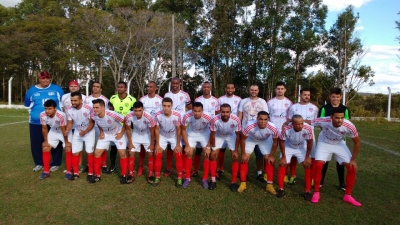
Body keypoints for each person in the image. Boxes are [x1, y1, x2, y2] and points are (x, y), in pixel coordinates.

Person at [311, 108, 361, 206]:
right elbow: (308, 122)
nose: (340, 120)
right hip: (324, 142)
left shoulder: (349, 125)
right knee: (318, 166)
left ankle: (348, 196)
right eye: (337, 118)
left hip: (339, 144)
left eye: (342, 118)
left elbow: (357, 142)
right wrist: (290, 122)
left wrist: (353, 160)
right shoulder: (324, 120)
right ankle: (316, 193)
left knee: (352, 168)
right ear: (331, 117)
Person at [24, 71, 64, 172]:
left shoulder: (57, 89)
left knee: (55, 142)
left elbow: (63, 103)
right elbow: (27, 104)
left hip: (54, 122)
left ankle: (56, 163)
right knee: (36, 143)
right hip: (36, 122)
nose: (45, 80)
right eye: (43, 78)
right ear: (39, 79)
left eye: (47, 78)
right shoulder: (31, 91)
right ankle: (39, 163)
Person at [238, 111, 279, 194]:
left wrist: (271, 155)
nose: (263, 121)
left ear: (268, 120)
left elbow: (275, 142)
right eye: (260, 119)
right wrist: (243, 154)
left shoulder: (273, 128)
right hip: (251, 139)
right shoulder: (249, 126)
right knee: (245, 159)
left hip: (264, 140)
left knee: (269, 160)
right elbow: (242, 139)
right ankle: (243, 183)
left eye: (265, 119)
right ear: (257, 119)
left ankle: (269, 185)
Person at [318, 87, 351, 191]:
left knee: (340, 161)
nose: (335, 99)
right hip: (326, 139)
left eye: (337, 97)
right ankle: (321, 181)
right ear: (330, 97)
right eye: (333, 97)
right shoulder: (324, 108)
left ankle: (342, 183)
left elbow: (346, 124)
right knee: (325, 161)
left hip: (340, 140)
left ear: (340, 97)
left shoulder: (345, 109)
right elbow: (320, 123)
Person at [89, 99, 128, 184]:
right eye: (94, 107)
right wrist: (101, 131)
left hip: (117, 133)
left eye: (97, 107)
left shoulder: (112, 114)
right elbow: (97, 122)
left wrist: (121, 133)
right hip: (106, 134)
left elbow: (125, 121)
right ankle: (97, 176)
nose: (95, 109)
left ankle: (124, 176)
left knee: (122, 153)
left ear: (103, 107)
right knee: (97, 153)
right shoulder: (93, 115)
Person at [285, 88, 319, 184]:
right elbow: (289, 120)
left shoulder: (314, 108)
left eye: (308, 95)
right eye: (305, 94)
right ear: (300, 95)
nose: (307, 96)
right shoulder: (293, 107)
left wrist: (306, 122)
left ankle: (311, 178)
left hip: (309, 135)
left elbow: (316, 122)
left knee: (311, 156)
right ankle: (292, 175)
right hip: (295, 134)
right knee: (294, 156)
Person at [277, 115, 313, 200]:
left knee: (307, 164)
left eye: (301, 123)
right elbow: (282, 142)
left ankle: (307, 191)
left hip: (301, 147)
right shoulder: (286, 129)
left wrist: (307, 156)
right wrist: (283, 156)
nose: (300, 126)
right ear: (292, 124)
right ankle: (280, 189)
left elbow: (310, 143)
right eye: (297, 124)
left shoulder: (308, 128)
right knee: (282, 163)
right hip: (288, 146)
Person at [237, 84, 268, 182]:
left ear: (258, 91)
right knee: (246, 154)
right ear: (249, 90)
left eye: (255, 90)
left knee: (259, 155)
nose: (253, 91)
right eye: (252, 90)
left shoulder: (262, 102)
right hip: (246, 132)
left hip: (259, 132)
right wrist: (239, 129)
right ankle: (244, 173)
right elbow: (240, 116)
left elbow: (266, 116)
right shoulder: (243, 101)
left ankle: (259, 173)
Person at [209, 103, 241, 191]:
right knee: (213, 156)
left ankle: (233, 182)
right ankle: (213, 180)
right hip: (219, 136)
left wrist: (235, 150)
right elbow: (212, 134)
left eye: (227, 112)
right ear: (220, 112)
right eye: (223, 112)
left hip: (231, 136)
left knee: (235, 157)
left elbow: (238, 135)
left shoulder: (236, 119)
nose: (225, 114)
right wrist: (214, 148)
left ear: (230, 112)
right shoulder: (215, 119)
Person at [181, 102, 213, 189]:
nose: (197, 113)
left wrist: (208, 146)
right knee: (188, 153)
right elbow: (183, 130)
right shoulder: (186, 116)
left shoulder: (208, 117)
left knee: (207, 154)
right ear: (192, 110)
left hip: (205, 133)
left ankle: (205, 179)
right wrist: (187, 145)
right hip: (192, 133)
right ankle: (187, 178)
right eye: (195, 111)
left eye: (199, 111)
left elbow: (213, 131)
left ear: (202, 111)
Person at [164, 77, 191, 177]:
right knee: (170, 147)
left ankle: (183, 168)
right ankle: (169, 168)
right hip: (170, 124)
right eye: (173, 83)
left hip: (181, 124)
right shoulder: (167, 95)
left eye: (176, 83)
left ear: (180, 84)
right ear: (171, 84)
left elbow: (190, 108)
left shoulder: (185, 95)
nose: (174, 85)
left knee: (182, 146)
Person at [192, 81, 220, 177]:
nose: (206, 89)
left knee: (212, 150)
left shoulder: (216, 100)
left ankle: (213, 170)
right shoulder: (198, 99)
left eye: (208, 87)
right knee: (198, 150)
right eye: (204, 87)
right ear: (202, 88)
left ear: (210, 88)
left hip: (211, 128)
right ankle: (195, 170)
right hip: (200, 128)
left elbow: (217, 114)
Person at [268, 81, 294, 184]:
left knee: (285, 152)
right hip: (272, 130)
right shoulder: (270, 102)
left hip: (285, 131)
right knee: (269, 151)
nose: (280, 90)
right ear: (275, 90)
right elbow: (267, 116)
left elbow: (290, 118)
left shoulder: (290, 103)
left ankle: (285, 174)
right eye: (278, 88)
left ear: (285, 90)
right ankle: (267, 172)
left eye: (282, 89)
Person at [107, 81, 136, 174]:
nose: (119, 89)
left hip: (127, 126)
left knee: (128, 146)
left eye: (121, 87)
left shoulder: (132, 99)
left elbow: (133, 113)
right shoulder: (113, 98)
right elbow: (110, 111)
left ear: (125, 88)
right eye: (118, 87)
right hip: (115, 127)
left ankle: (129, 165)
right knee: (114, 147)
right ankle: (112, 164)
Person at [66, 92, 96, 181]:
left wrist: (85, 131)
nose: (73, 102)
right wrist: (67, 129)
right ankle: (76, 173)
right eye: (72, 100)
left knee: (89, 152)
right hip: (77, 132)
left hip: (89, 132)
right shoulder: (69, 109)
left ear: (81, 100)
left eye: (75, 100)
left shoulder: (89, 108)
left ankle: (90, 173)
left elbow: (92, 122)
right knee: (75, 152)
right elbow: (70, 122)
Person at [153, 97, 183, 186]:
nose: (166, 108)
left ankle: (180, 178)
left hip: (173, 136)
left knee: (178, 155)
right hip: (163, 136)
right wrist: (157, 144)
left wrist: (178, 144)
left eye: (168, 106)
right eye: (164, 106)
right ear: (162, 106)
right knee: (158, 154)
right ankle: (157, 177)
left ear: (172, 106)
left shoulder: (177, 115)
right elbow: (157, 129)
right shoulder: (157, 115)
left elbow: (179, 129)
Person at [125, 101, 156, 184]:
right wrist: (130, 143)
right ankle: (131, 174)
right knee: (131, 152)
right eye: (135, 110)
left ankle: (150, 174)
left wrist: (152, 144)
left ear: (143, 109)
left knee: (150, 153)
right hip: (136, 134)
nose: (137, 113)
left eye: (139, 110)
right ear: (133, 110)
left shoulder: (149, 117)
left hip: (147, 135)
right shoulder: (129, 116)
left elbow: (152, 132)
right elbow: (128, 129)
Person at [38, 100, 70, 180]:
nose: (47, 111)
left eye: (50, 109)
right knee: (46, 147)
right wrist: (45, 141)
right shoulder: (42, 115)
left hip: (63, 131)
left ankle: (69, 171)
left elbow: (64, 129)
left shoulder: (61, 115)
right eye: (46, 108)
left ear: (55, 108)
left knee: (67, 148)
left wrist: (66, 142)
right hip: (53, 131)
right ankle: (46, 172)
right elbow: (44, 128)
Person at [216, 83, 242, 178]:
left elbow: (240, 112)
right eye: (228, 88)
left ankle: (236, 170)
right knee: (221, 150)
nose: (230, 89)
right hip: (222, 126)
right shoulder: (220, 99)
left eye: (232, 88)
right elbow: (218, 113)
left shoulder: (239, 99)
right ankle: (221, 168)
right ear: (225, 89)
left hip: (233, 126)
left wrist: (236, 122)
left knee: (234, 151)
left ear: (234, 89)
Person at [138, 81, 163, 177]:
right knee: (142, 148)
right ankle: (141, 166)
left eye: (151, 87)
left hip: (156, 127)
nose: (149, 88)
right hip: (144, 127)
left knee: (153, 148)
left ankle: (152, 169)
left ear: (155, 88)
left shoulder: (160, 100)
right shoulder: (142, 99)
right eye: (148, 87)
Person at [84, 82, 109, 173]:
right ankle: (89, 164)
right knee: (89, 145)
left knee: (102, 144)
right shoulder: (87, 99)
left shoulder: (105, 100)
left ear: (101, 89)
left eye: (98, 87)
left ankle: (104, 164)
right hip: (89, 125)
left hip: (101, 125)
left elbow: (107, 113)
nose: (95, 88)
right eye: (94, 86)